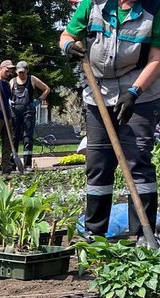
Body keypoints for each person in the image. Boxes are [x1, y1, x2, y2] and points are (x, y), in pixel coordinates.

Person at [60, 0, 160, 245]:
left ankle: (142, 235)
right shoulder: (93, 5)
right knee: (98, 162)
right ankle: (94, 231)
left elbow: (156, 58)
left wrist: (134, 92)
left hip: (140, 93)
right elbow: (66, 34)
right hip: (98, 92)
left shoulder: (154, 10)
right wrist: (68, 46)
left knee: (137, 160)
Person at [10, 61, 51, 169]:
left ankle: (27, 164)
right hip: (15, 112)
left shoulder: (32, 79)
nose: (21, 75)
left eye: (23, 72)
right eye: (19, 72)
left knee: (27, 138)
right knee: (14, 138)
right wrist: (9, 101)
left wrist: (39, 100)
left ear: (27, 71)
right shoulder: (12, 82)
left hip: (28, 111)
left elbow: (47, 89)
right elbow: (6, 94)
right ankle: (12, 164)